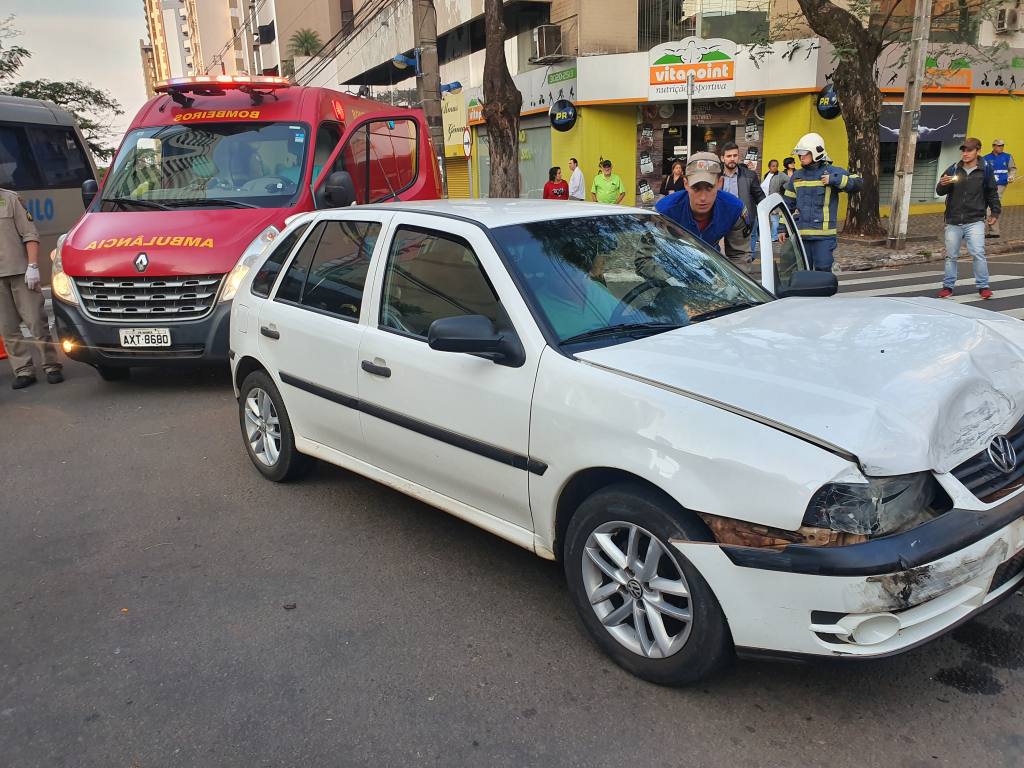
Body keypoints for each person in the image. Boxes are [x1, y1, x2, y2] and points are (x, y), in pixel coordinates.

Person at [0, 188, 63, 388]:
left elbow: (30, 235)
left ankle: (51, 364)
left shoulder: (10, 199)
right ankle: (23, 370)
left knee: (36, 321)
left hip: (20, 272)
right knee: (7, 328)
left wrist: (33, 266)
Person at [654, 152, 748, 273]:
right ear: (686, 184)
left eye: (709, 188)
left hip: (711, 272)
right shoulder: (665, 211)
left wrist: (735, 287)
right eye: (696, 188)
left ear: (720, 183)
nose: (703, 197)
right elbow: (647, 257)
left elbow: (739, 256)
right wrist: (670, 279)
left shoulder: (734, 209)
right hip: (671, 272)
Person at [782, 133, 862, 271]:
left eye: (804, 153)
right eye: (799, 153)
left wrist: (834, 179)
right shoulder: (797, 176)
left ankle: (822, 293)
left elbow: (858, 183)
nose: (800, 157)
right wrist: (782, 228)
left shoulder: (832, 172)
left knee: (823, 269)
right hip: (802, 236)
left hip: (824, 237)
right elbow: (787, 204)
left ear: (816, 153)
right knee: (803, 271)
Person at [935, 137, 1001, 299]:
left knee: (978, 252)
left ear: (978, 151)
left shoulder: (985, 169)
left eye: (969, 150)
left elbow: (992, 192)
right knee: (951, 256)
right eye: (963, 150)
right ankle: (948, 287)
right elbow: (940, 191)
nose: (965, 153)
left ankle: (983, 287)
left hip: (975, 219)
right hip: (954, 219)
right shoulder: (953, 169)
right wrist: (943, 183)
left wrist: (995, 213)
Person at [719, 143, 765, 263]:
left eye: (735, 155)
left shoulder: (750, 175)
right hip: (720, 220)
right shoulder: (716, 176)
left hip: (742, 222)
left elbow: (760, 197)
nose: (732, 158)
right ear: (722, 158)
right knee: (718, 256)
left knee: (741, 259)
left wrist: (763, 217)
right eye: (729, 156)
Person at [983, 139, 1016, 238]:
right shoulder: (986, 158)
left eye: (1002, 145)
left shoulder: (1007, 156)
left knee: (990, 208)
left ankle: (980, 231)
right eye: (999, 145)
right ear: (993, 146)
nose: (1001, 147)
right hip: (988, 185)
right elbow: (983, 171)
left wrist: (1011, 176)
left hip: (1001, 184)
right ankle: (994, 232)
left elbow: (1013, 169)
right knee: (990, 206)